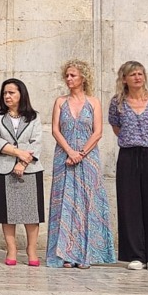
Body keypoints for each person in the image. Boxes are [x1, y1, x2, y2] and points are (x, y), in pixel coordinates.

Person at [45, 60, 115, 269]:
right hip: (64, 157)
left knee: (87, 204)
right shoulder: (60, 102)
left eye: (73, 75)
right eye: (67, 75)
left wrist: (81, 153)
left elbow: (98, 131)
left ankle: (86, 254)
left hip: (89, 158)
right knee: (65, 204)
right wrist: (70, 152)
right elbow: (55, 130)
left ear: (83, 77)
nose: (69, 79)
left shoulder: (93, 102)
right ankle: (66, 253)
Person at [108, 61, 148, 271]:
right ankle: (135, 254)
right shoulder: (117, 103)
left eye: (140, 73)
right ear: (124, 79)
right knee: (129, 204)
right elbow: (116, 127)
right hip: (128, 154)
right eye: (133, 74)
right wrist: (133, 139)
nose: (137, 77)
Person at [0, 78, 44, 266]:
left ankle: (32, 250)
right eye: (5, 93)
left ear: (21, 94)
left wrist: (22, 162)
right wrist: (17, 151)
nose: (7, 96)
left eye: (11, 93)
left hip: (29, 169)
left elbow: (36, 142)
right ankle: (11, 249)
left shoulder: (34, 117)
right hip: (2, 167)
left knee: (31, 212)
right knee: (7, 213)